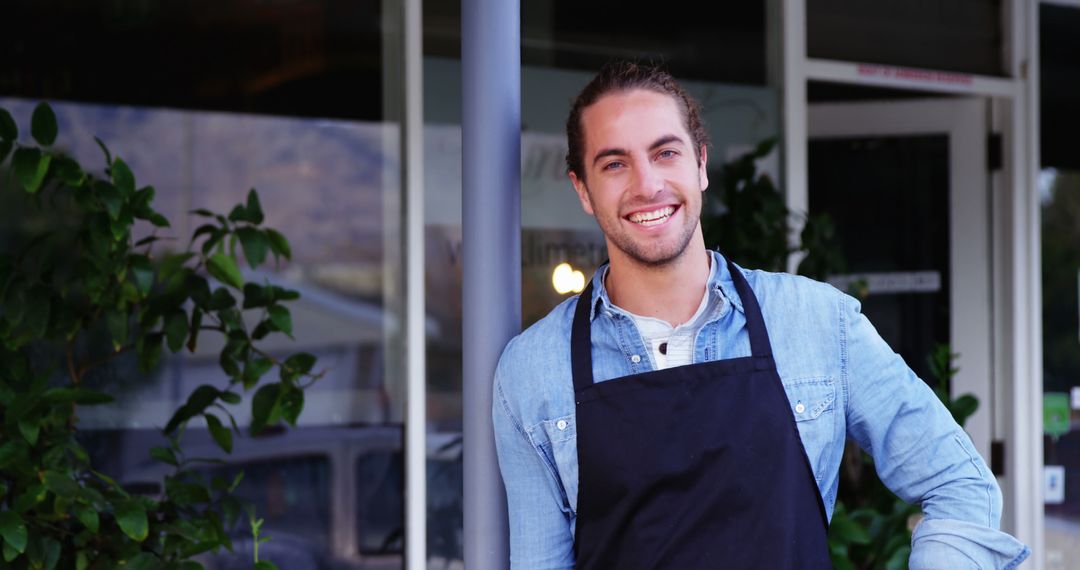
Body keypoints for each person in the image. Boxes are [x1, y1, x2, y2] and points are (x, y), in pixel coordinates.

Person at [492, 61, 1030, 569]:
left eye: (665, 153)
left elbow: (960, 484)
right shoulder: (533, 370)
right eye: (614, 163)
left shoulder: (819, 323)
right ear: (582, 189)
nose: (646, 185)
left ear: (701, 163)